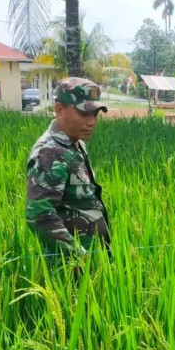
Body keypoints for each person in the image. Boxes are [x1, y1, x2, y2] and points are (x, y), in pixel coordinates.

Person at [26, 77, 111, 260]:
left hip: (89, 256)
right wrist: (77, 254)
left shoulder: (74, 144)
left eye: (95, 114)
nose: (92, 122)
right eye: (84, 113)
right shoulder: (50, 152)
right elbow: (39, 215)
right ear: (59, 110)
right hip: (70, 266)